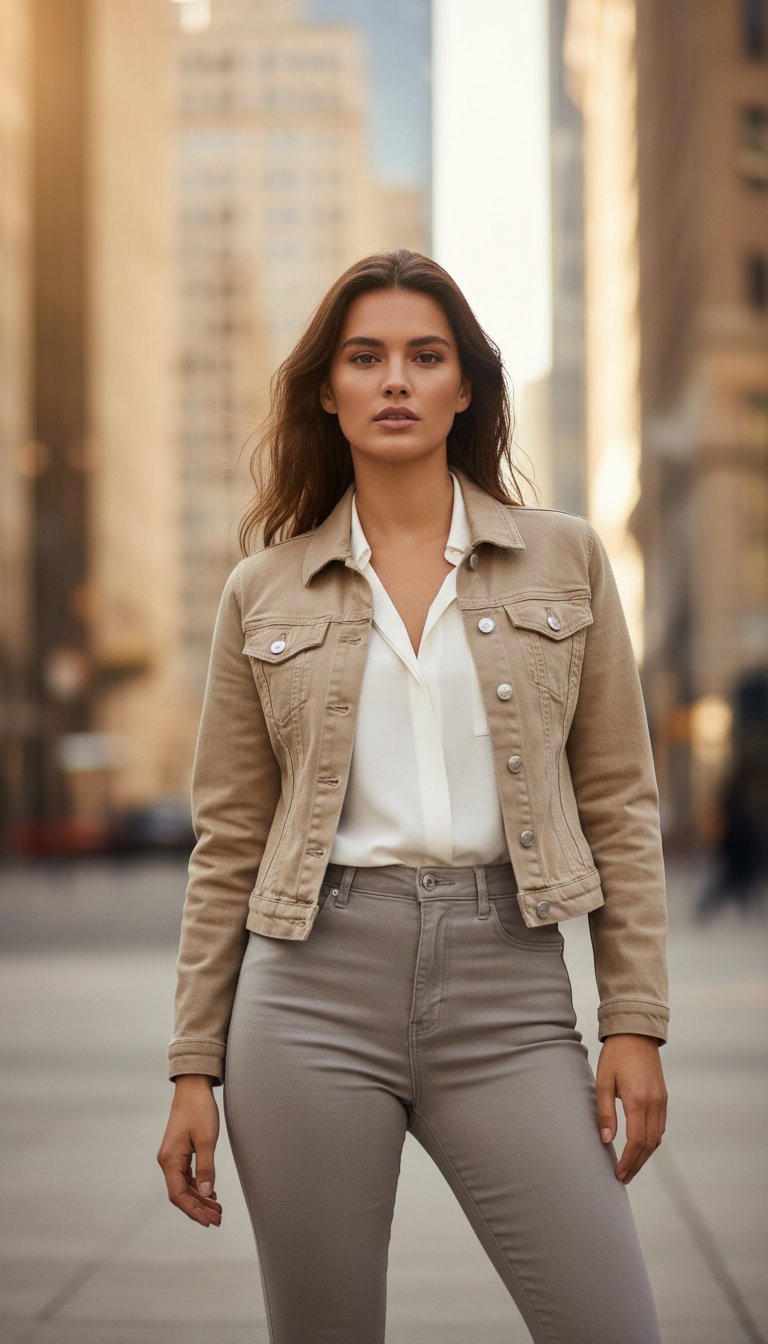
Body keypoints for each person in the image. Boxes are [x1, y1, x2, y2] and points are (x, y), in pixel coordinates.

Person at [158, 250, 669, 1344]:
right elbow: (229, 838)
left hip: (510, 997)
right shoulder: (262, 591)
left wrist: (633, 1019)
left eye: (425, 356)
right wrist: (194, 1065)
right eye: (366, 357)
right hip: (307, 997)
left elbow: (621, 802)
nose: (395, 379)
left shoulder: (566, 560)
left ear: (465, 386)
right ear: (327, 391)